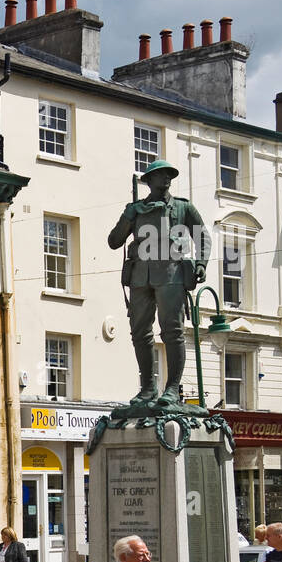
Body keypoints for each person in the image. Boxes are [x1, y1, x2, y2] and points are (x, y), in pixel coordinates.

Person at [107, 159, 209, 408]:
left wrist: (201, 262)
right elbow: (114, 241)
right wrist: (126, 217)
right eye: (160, 175)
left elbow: (202, 235)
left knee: (172, 332)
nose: (166, 178)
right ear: (149, 180)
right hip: (140, 277)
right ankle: (147, 388)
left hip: (172, 275)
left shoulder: (184, 208)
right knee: (140, 333)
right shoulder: (136, 209)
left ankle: (172, 388)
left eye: (168, 175)